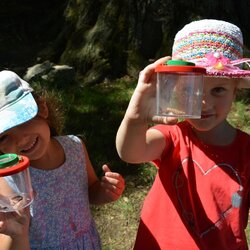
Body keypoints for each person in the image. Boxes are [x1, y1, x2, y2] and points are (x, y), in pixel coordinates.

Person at [116, 19, 250, 249]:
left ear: (235, 91)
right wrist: (135, 117)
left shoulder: (246, 149)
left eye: (218, 89)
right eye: (191, 89)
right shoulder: (173, 136)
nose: (204, 102)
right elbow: (131, 152)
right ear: (175, 89)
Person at [0, 70, 125, 250]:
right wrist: (16, 232)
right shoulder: (9, 179)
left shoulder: (75, 147)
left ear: (42, 108)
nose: (19, 139)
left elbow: (90, 190)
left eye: (22, 121)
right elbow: (9, 236)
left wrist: (105, 191)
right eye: (4, 137)